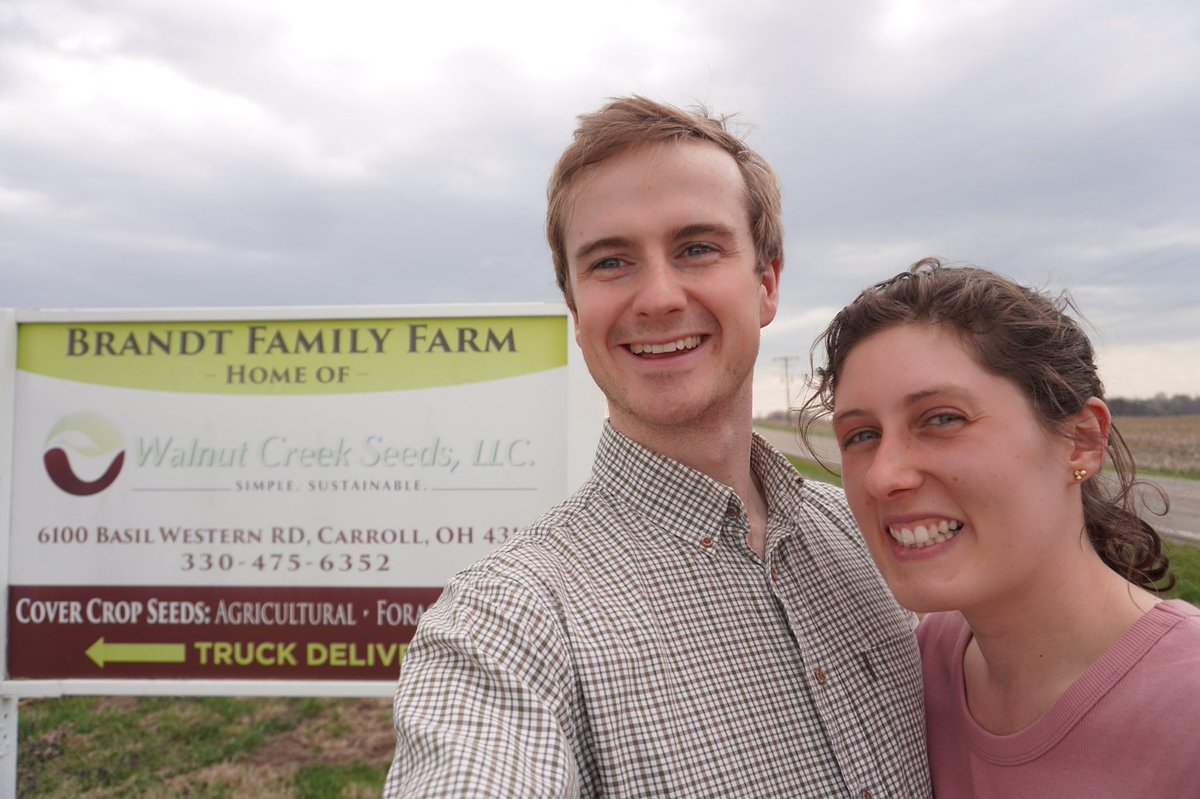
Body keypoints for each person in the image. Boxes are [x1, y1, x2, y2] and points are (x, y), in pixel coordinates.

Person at [382, 97, 931, 797]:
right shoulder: (509, 618)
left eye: (697, 248)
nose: (660, 297)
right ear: (577, 315)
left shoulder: (873, 533)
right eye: (612, 262)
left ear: (767, 284)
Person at [801, 258, 1200, 797]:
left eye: (943, 419)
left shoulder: (1186, 704)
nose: (884, 476)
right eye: (861, 435)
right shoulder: (926, 664)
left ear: (1081, 440)